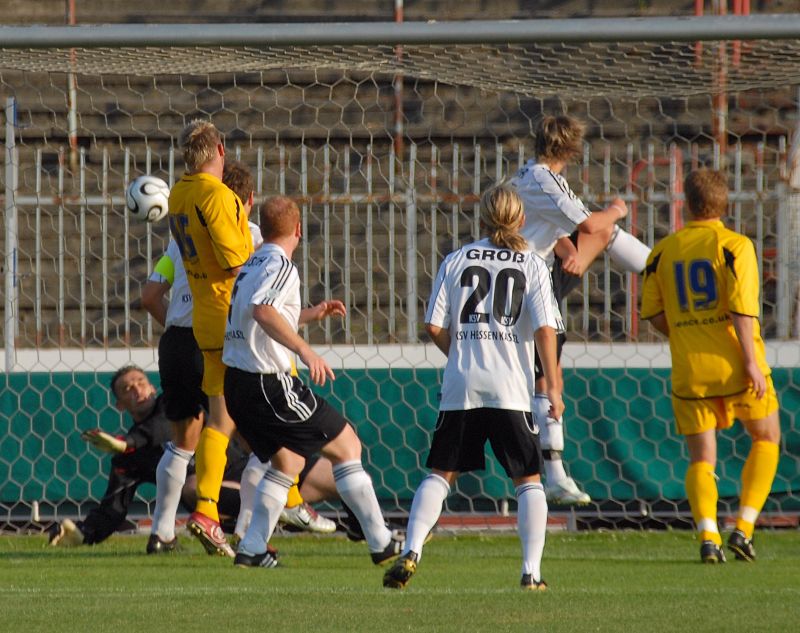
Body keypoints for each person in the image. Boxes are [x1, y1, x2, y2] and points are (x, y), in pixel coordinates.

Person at [144, 160, 334, 554]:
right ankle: (251, 519)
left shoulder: (180, 235)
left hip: (177, 342)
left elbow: (149, 296)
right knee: (255, 433)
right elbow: (258, 304)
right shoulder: (251, 237)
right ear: (246, 201)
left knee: (183, 442)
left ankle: (162, 534)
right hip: (224, 341)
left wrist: (181, 328)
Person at [383, 184, 564, 591]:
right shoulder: (532, 264)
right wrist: (553, 388)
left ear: (482, 218)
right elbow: (545, 329)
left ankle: (412, 549)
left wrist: (462, 354)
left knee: (440, 474)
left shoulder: (456, 259)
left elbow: (433, 325)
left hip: (462, 384)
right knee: (529, 480)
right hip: (510, 387)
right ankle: (531, 573)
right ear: (521, 219)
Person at [222, 195, 403, 569]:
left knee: (287, 462)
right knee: (347, 445)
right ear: (298, 229)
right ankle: (381, 541)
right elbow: (263, 311)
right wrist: (306, 351)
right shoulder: (281, 265)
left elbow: (260, 313)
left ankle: (252, 548)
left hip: (238, 383)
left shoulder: (252, 262)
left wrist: (308, 314)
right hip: (267, 382)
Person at [641, 168, 781, 563]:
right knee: (767, 436)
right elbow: (742, 310)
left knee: (702, 458)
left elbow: (653, 313)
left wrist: (687, 333)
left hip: (691, 369)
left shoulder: (662, 252)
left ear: (687, 205)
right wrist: (751, 362)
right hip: (736, 364)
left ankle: (708, 536)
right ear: (725, 203)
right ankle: (744, 528)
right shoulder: (735, 245)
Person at [511, 114, 652, 505]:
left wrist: (568, 246)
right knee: (547, 381)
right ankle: (553, 476)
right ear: (572, 150)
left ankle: (658, 269)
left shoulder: (523, 176)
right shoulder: (546, 179)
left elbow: (541, 225)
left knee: (546, 378)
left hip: (524, 278)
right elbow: (589, 224)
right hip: (532, 285)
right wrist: (618, 208)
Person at [167, 120, 254, 556]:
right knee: (268, 404)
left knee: (224, 416)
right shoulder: (217, 196)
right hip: (230, 314)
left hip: (203, 316)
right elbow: (237, 262)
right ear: (220, 149)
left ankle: (207, 509)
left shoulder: (178, 193)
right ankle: (291, 499)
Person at [47, 366, 244, 548]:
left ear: (152, 388)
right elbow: (114, 508)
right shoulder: (131, 457)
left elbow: (163, 426)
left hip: (240, 475)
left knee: (194, 486)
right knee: (192, 488)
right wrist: (84, 532)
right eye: (127, 389)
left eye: (141, 382)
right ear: (120, 405)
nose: (137, 390)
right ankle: (240, 531)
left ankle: (255, 521)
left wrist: (127, 442)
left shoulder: (174, 406)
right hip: (208, 500)